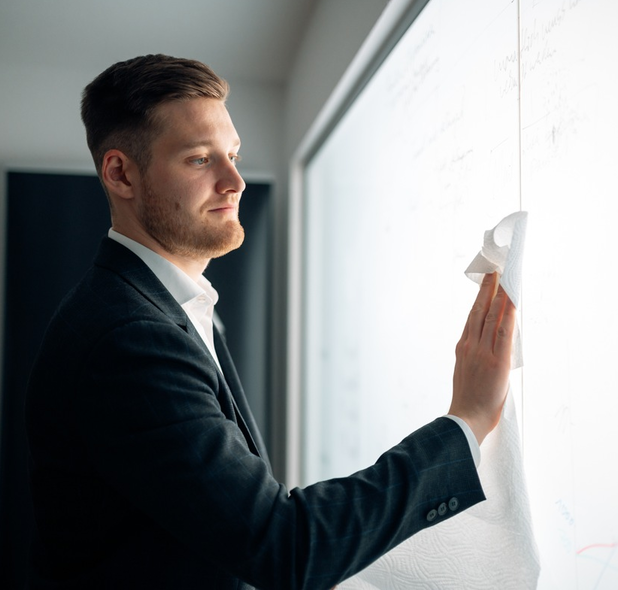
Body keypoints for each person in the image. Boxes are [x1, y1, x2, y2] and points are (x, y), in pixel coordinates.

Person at [25, 54, 515, 590]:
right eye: (199, 159)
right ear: (121, 173)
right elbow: (282, 545)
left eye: (232, 154)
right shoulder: (129, 337)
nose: (234, 180)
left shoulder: (174, 308)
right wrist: (465, 422)